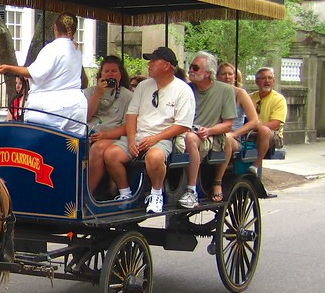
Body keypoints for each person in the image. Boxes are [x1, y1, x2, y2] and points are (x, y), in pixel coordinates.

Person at [103, 46, 195, 214]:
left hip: (164, 139)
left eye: (153, 61)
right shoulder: (144, 86)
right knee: (111, 155)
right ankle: (125, 194)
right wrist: (131, 140)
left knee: (155, 156)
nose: (149, 64)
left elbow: (183, 125)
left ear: (166, 66)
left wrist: (155, 138)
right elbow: (132, 116)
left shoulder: (183, 90)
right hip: (139, 136)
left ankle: (156, 194)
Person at [0, 13, 87, 133]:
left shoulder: (52, 49)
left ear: (55, 27)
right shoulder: (76, 49)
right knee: (72, 148)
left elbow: (33, 73)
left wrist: (8, 68)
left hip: (52, 108)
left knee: (42, 148)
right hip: (77, 106)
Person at [178, 51, 236, 207]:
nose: (190, 70)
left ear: (208, 73)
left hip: (210, 137)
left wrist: (208, 131)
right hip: (184, 133)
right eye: (190, 67)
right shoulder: (186, 89)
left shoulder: (225, 90)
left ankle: (191, 191)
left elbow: (228, 124)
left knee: (190, 138)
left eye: (195, 68)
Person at [85, 55, 134, 196]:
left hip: (114, 137)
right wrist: (98, 93)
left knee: (99, 148)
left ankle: (87, 195)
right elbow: (86, 116)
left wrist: (104, 135)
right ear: (101, 74)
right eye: (106, 71)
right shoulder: (90, 92)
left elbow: (128, 127)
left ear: (120, 74)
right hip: (88, 134)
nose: (110, 74)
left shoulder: (128, 96)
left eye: (114, 71)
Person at [217, 62, 260, 165]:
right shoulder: (214, 93)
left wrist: (234, 134)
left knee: (227, 138)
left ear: (234, 77)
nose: (227, 77)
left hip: (234, 137)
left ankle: (218, 179)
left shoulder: (240, 94)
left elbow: (254, 121)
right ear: (217, 76)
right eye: (223, 74)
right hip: (214, 133)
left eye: (230, 74)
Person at [249, 66, 287, 171]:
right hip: (250, 132)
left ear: (273, 81)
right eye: (263, 78)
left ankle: (255, 166)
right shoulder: (250, 97)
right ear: (256, 81)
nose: (267, 81)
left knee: (263, 130)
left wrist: (253, 126)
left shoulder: (279, 99)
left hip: (273, 135)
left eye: (270, 78)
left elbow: (275, 124)